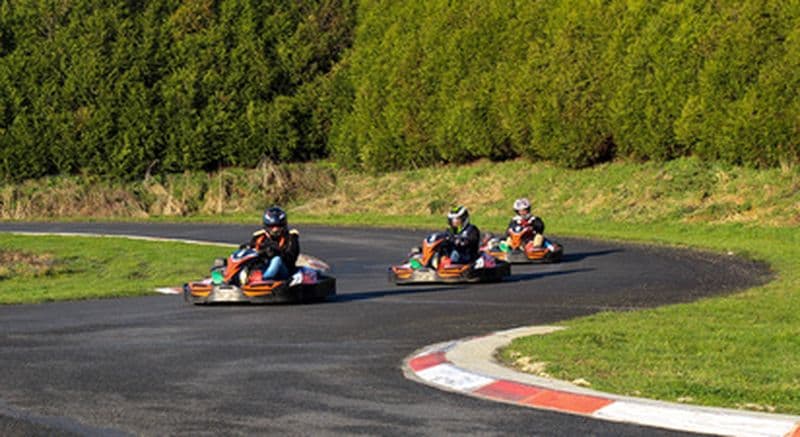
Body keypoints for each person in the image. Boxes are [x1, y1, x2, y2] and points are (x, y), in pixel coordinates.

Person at [246, 206, 300, 280]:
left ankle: (263, 279)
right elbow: (252, 249)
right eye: (272, 226)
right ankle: (234, 277)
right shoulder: (259, 237)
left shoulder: (291, 237)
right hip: (262, 265)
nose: (275, 230)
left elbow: (291, 258)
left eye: (278, 226)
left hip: (284, 271)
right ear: (267, 226)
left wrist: (276, 252)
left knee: (276, 260)